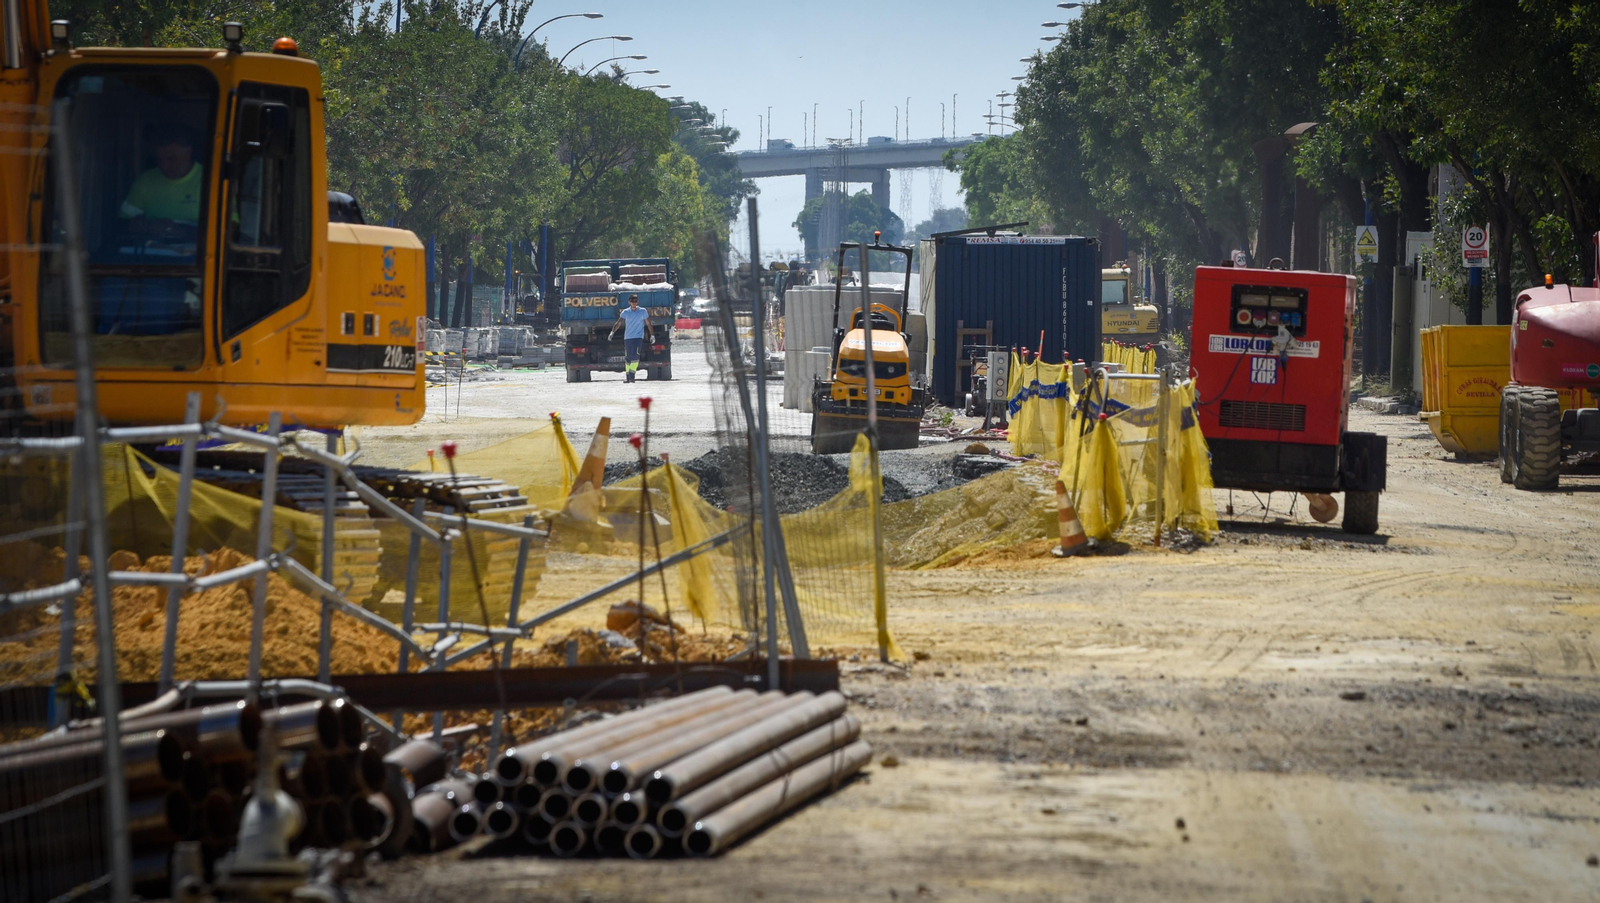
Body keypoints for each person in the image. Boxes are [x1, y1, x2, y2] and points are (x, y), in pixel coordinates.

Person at [120, 124, 203, 237]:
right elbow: (123, 223)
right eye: (159, 159)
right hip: (152, 251)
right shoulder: (146, 180)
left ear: (188, 153)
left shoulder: (211, 181)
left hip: (198, 252)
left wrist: (178, 230)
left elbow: (229, 230)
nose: (164, 166)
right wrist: (137, 226)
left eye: (171, 158)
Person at [608, 293, 653, 383]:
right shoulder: (625, 312)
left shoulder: (643, 311)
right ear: (629, 302)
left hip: (638, 337)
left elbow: (648, 324)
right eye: (632, 301)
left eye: (635, 301)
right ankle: (628, 376)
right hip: (628, 338)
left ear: (638, 302)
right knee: (628, 358)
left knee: (635, 356)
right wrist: (612, 332)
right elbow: (619, 323)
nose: (634, 303)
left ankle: (632, 375)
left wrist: (652, 335)